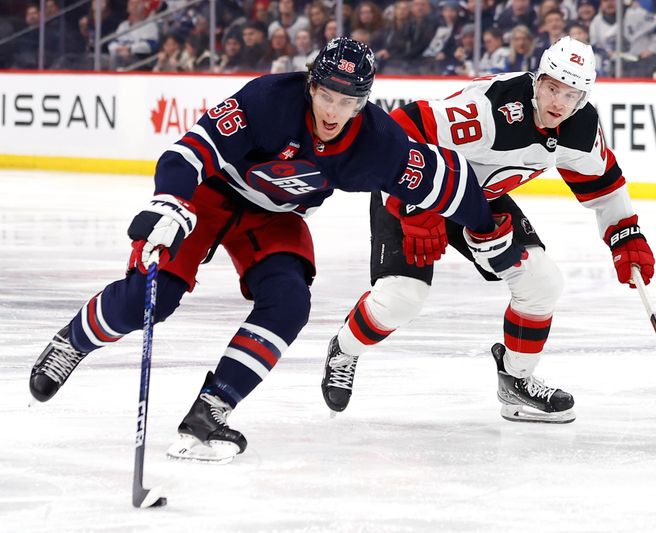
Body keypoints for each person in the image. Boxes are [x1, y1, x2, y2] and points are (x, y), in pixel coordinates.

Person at [28, 38, 515, 463]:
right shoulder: (268, 100)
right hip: (211, 197)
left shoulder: (379, 142)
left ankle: (212, 409)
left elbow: (445, 183)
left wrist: (486, 228)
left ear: (364, 103)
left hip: (276, 217)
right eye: (326, 94)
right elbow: (188, 151)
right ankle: (73, 342)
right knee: (150, 296)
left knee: (289, 303)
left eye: (347, 101)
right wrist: (170, 204)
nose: (332, 110)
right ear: (310, 85)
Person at [321, 36, 656, 424]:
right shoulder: (489, 110)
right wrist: (413, 205)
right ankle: (344, 349)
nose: (557, 103)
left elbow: (603, 183)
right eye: (551, 88)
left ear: (583, 96)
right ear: (537, 80)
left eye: (571, 94)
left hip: (476, 198)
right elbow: (401, 129)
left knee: (542, 282)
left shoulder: (580, 128)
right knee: (402, 298)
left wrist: (624, 234)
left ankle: (516, 382)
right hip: (418, 184)